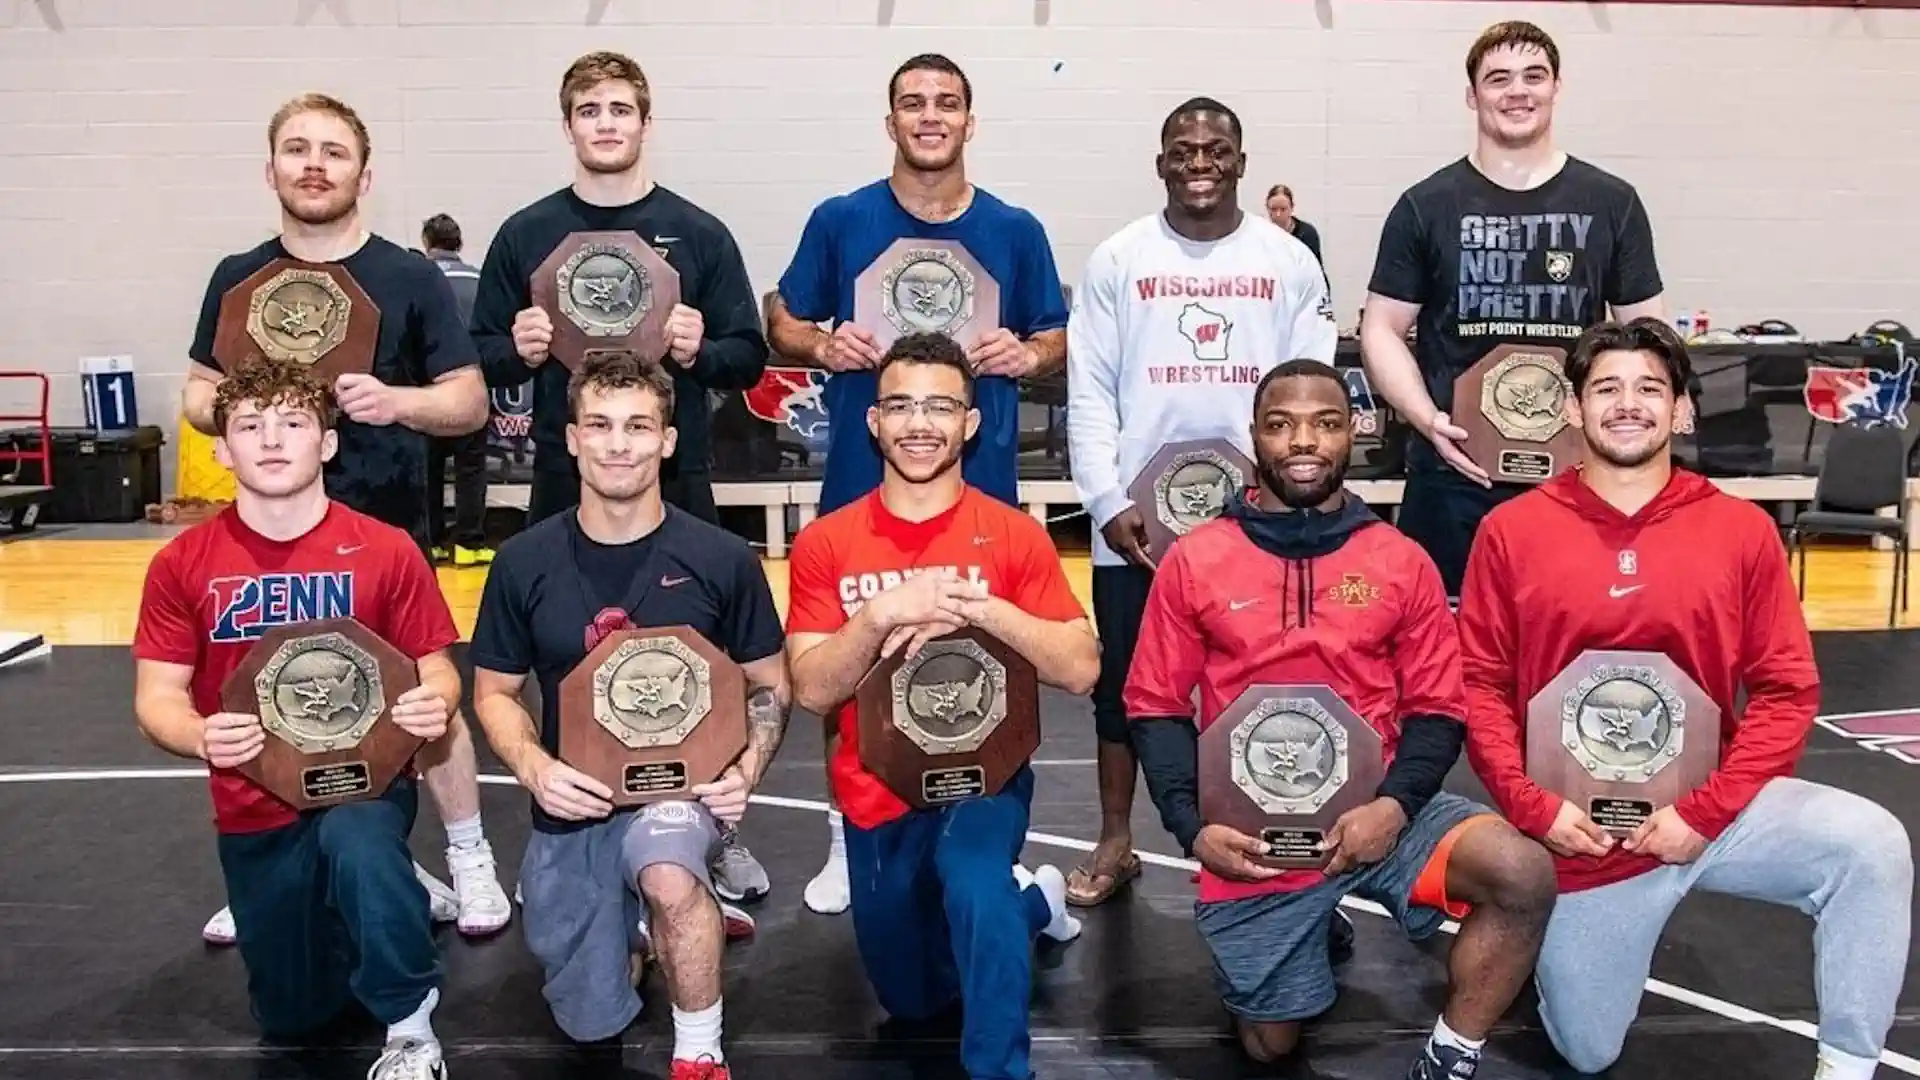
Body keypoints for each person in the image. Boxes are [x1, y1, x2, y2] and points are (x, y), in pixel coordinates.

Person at [1457, 318, 1913, 1080]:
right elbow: (1480, 685)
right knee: (1587, 1050)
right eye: (1606, 388)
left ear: (1682, 410)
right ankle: (1554, 940)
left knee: (1871, 845)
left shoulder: (1740, 530)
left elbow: (1787, 689)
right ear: (1572, 409)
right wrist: (1536, 811)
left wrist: (1704, 814)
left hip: (1714, 812)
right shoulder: (1512, 531)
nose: (1627, 404)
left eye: (1649, 388)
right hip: (1584, 838)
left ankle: (1847, 1065)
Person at [1125, 359, 1558, 1079]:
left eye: (1325, 423)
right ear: (1254, 435)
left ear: (1354, 431)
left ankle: (1453, 1051)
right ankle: (1310, 924)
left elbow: (1437, 708)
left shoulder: (1401, 560)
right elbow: (1156, 706)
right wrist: (1192, 828)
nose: (1304, 441)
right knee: (1269, 1047)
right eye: (1282, 424)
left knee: (1523, 873)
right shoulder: (1195, 560)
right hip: (1253, 830)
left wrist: (1395, 806)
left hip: (1378, 811)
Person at [178, 92, 511, 945]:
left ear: (365, 175)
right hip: (267, 537)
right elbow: (197, 394)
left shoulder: (409, 276)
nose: (315, 165)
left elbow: (469, 403)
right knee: (273, 694)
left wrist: (396, 401)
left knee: (423, 700)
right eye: (298, 149)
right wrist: (254, 409)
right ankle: (272, 870)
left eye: (334, 152)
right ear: (271, 169)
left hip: (383, 528)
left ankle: (469, 853)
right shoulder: (237, 276)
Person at [765, 52, 1070, 915]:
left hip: (982, 491)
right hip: (863, 489)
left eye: (946, 103)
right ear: (890, 120)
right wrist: (819, 343)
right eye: (913, 102)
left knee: (983, 658)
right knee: (850, 658)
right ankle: (847, 837)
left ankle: (989, 839)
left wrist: (1030, 353)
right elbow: (781, 317)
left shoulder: (1015, 229)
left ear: (971, 120)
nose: (930, 116)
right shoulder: (840, 219)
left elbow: (1058, 335)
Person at [468, 50, 773, 903]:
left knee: (704, 656)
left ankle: (716, 831)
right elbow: (477, 353)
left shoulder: (699, 231)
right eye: (589, 110)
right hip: (569, 476)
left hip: (676, 474)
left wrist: (700, 349)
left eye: (620, 109)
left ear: (645, 122)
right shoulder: (525, 233)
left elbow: (748, 356)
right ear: (568, 125)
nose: (606, 123)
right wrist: (514, 349)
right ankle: (569, 825)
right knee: (562, 649)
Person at [133, 358, 463, 1080]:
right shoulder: (183, 564)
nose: (273, 439)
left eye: (293, 422)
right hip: (254, 800)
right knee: (296, 1015)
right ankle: (387, 897)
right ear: (223, 450)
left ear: (328, 443)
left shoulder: (386, 548)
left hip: (364, 784)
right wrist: (198, 734)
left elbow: (437, 666)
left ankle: (411, 1029)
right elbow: (157, 696)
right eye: (250, 426)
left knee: (358, 839)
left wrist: (433, 699)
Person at [468, 350, 788, 1079]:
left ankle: (699, 1049)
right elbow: (493, 693)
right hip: (576, 799)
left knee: (669, 872)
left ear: (668, 441)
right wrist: (537, 770)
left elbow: (769, 684)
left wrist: (744, 770)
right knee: (590, 1017)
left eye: (638, 426)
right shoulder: (523, 562)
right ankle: (638, 935)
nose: (619, 444)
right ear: (572, 438)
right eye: (600, 425)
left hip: (680, 790)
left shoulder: (721, 557)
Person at [784, 332, 1093, 1080]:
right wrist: (881, 614)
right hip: (875, 790)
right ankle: (1038, 904)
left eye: (940, 407)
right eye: (900, 406)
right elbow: (813, 688)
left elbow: (1082, 668)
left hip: (983, 778)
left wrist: (981, 608)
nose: (919, 424)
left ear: (970, 422)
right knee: (914, 1000)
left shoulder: (1013, 534)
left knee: (976, 888)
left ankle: (1000, 1069)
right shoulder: (826, 542)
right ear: (873, 421)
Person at [1065, 97, 1339, 911]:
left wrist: (1293, 500)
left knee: (1269, 676)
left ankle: (1276, 835)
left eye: (1216, 149)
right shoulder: (1118, 258)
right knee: (1123, 685)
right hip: (1136, 526)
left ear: (1241, 163)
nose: (1199, 162)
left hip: (1260, 518)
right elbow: (1090, 391)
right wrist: (1105, 499)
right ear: (1160, 163)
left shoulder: (1288, 261)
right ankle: (1117, 838)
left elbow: (1312, 391)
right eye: (1182, 149)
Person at [1358, 21, 1667, 599]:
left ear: (1557, 87)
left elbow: (1648, 336)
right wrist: (1427, 420)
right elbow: (1381, 328)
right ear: (1472, 95)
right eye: (1498, 78)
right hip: (1454, 475)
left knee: (1573, 634)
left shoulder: (1612, 202)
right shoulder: (1425, 205)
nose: (1518, 91)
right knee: (1449, 638)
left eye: (1534, 76)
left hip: (1577, 477)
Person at [419, 213, 493, 568]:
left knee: (429, 469)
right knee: (470, 469)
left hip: (427, 392)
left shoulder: (419, 279)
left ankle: (432, 541)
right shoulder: (480, 281)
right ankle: (468, 543)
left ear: (426, 242)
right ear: (459, 242)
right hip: (471, 390)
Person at [1263, 184, 1323, 269]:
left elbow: (1314, 269)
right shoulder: (1262, 234)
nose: (1278, 214)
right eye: (1273, 209)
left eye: (1283, 209)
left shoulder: (1307, 233)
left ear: (1292, 208)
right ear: (1267, 208)